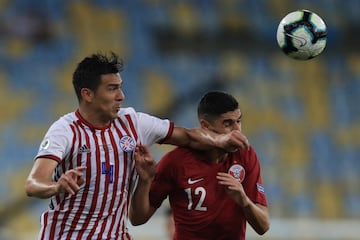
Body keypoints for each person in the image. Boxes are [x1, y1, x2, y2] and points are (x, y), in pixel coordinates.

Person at [24, 53, 250, 240]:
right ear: (88, 94)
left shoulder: (133, 122)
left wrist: (219, 140)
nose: (121, 96)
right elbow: (33, 184)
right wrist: (57, 187)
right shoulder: (65, 130)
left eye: (120, 87)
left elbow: (188, 136)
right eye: (112, 89)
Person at [130, 91, 270, 240]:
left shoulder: (245, 155)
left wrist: (244, 200)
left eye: (239, 121)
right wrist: (145, 181)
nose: (237, 131)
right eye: (228, 124)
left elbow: (263, 226)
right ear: (205, 126)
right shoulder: (175, 162)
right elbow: (137, 219)